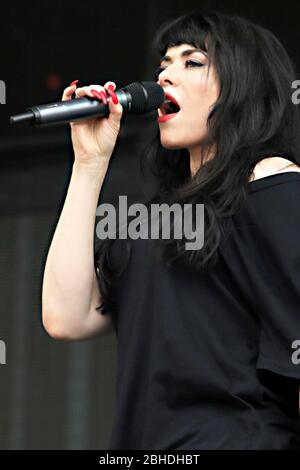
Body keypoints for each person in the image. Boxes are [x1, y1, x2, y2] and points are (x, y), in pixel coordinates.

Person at [42, 9, 300, 450]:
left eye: (192, 62)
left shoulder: (269, 180)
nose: (166, 75)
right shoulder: (154, 221)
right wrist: (89, 163)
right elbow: (66, 317)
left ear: (244, 84)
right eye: (164, 63)